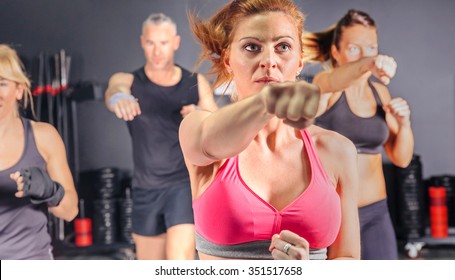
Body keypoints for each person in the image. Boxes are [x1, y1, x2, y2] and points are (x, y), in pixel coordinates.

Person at [180, 0, 360, 260]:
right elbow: (207, 142)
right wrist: (269, 99)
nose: (269, 61)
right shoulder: (198, 128)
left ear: (300, 61)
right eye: (252, 47)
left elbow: (349, 259)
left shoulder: (337, 150)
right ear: (229, 59)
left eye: (283, 47)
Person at [104, 13, 218, 260]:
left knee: (179, 264)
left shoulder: (194, 82)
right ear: (142, 42)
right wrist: (118, 98)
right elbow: (115, 88)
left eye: (163, 43)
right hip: (145, 188)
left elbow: (219, 125)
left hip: (182, 186)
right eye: (151, 43)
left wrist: (202, 114)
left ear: (175, 42)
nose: (157, 51)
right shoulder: (129, 81)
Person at [304, 9, 414, 259]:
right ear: (336, 52)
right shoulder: (326, 85)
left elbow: (402, 159)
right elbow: (330, 80)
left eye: (371, 48)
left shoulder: (380, 93)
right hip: (335, 216)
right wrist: (369, 63)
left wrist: (404, 123)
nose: (365, 56)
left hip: (376, 212)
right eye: (354, 48)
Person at [0, 44, 78, 259]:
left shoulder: (43, 137)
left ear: (19, 90)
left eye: (1, 83)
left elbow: (70, 210)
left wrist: (50, 191)